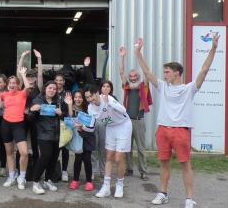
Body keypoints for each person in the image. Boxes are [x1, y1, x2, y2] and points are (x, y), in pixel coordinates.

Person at [134, 35, 219, 208]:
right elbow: (148, 73)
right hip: (163, 130)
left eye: (167, 72)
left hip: (181, 131)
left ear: (177, 73)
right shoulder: (163, 87)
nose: (164, 74)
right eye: (164, 72)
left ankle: (189, 198)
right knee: (164, 164)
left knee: (185, 165)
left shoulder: (189, 89)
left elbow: (203, 70)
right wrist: (138, 53)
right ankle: (162, 193)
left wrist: (213, 48)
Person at [87, 84, 132, 199]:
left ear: (97, 93)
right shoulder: (90, 108)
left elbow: (123, 110)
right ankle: (106, 187)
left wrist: (109, 103)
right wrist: (80, 127)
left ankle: (120, 185)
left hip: (123, 125)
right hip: (111, 128)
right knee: (109, 157)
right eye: (87, 97)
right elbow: (90, 127)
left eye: (91, 96)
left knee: (118, 158)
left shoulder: (108, 98)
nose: (90, 99)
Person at [119, 46, 153, 181]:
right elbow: (121, 73)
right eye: (131, 76)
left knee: (140, 148)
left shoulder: (143, 87)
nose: (132, 78)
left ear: (138, 78)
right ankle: (130, 169)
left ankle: (143, 171)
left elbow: (146, 72)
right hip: (127, 121)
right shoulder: (126, 86)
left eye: (135, 76)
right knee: (127, 148)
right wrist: (122, 56)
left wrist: (139, 54)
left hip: (139, 120)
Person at [29, 81, 65, 195]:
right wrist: (32, 110)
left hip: (57, 134)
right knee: (45, 156)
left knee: (54, 158)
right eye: (50, 88)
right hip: (43, 134)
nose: (52, 90)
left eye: (54, 89)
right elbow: (30, 119)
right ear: (45, 89)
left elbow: (66, 116)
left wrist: (61, 113)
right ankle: (35, 182)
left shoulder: (58, 100)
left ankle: (48, 180)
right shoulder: (38, 100)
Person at [0, 68, 31, 190]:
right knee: (9, 153)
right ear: (7, 85)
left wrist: (23, 74)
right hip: (6, 124)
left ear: (18, 85)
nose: (12, 85)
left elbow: (28, 87)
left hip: (18, 125)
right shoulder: (4, 94)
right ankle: (12, 176)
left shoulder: (22, 94)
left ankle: (21, 177)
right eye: (10, 83)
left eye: (14, 83)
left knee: (24, 152)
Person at [17, 50, 43, 173]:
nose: (31, 78)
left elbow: (41, 75)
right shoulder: (22, 86)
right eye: (28, 76)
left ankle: (36, 171)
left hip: (35, 119)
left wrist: (39, 59)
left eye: (32, 76)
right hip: (22, 118)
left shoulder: (39, 88)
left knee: (34, 145)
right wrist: (22, 57)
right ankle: (19, 169)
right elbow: (18, 73)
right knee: (21, 145)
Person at [65, 90, 95, 192]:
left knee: (87, 159)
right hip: (78, 137)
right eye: (76, 97)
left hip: (87, 136)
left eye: (80, 97)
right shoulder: (72, 108)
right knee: (77, 159)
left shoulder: (89, 108)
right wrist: (69, 105)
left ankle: (89, 181)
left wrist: (83, 127)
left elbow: (92, 123)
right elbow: (70, 118)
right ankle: (75, 180)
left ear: (84, 98)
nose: (78, 99)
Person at [54, 72, 70, 182]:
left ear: (64, 82)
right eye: (57, 80)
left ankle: (64, 171)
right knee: (54, 148)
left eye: (61, 80)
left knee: (65, 148)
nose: (59, 82)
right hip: (52, 124)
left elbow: (69, 112)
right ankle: (54, 170)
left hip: (64, 123)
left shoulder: (67, 94)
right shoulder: (51, 91)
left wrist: (61, 114)